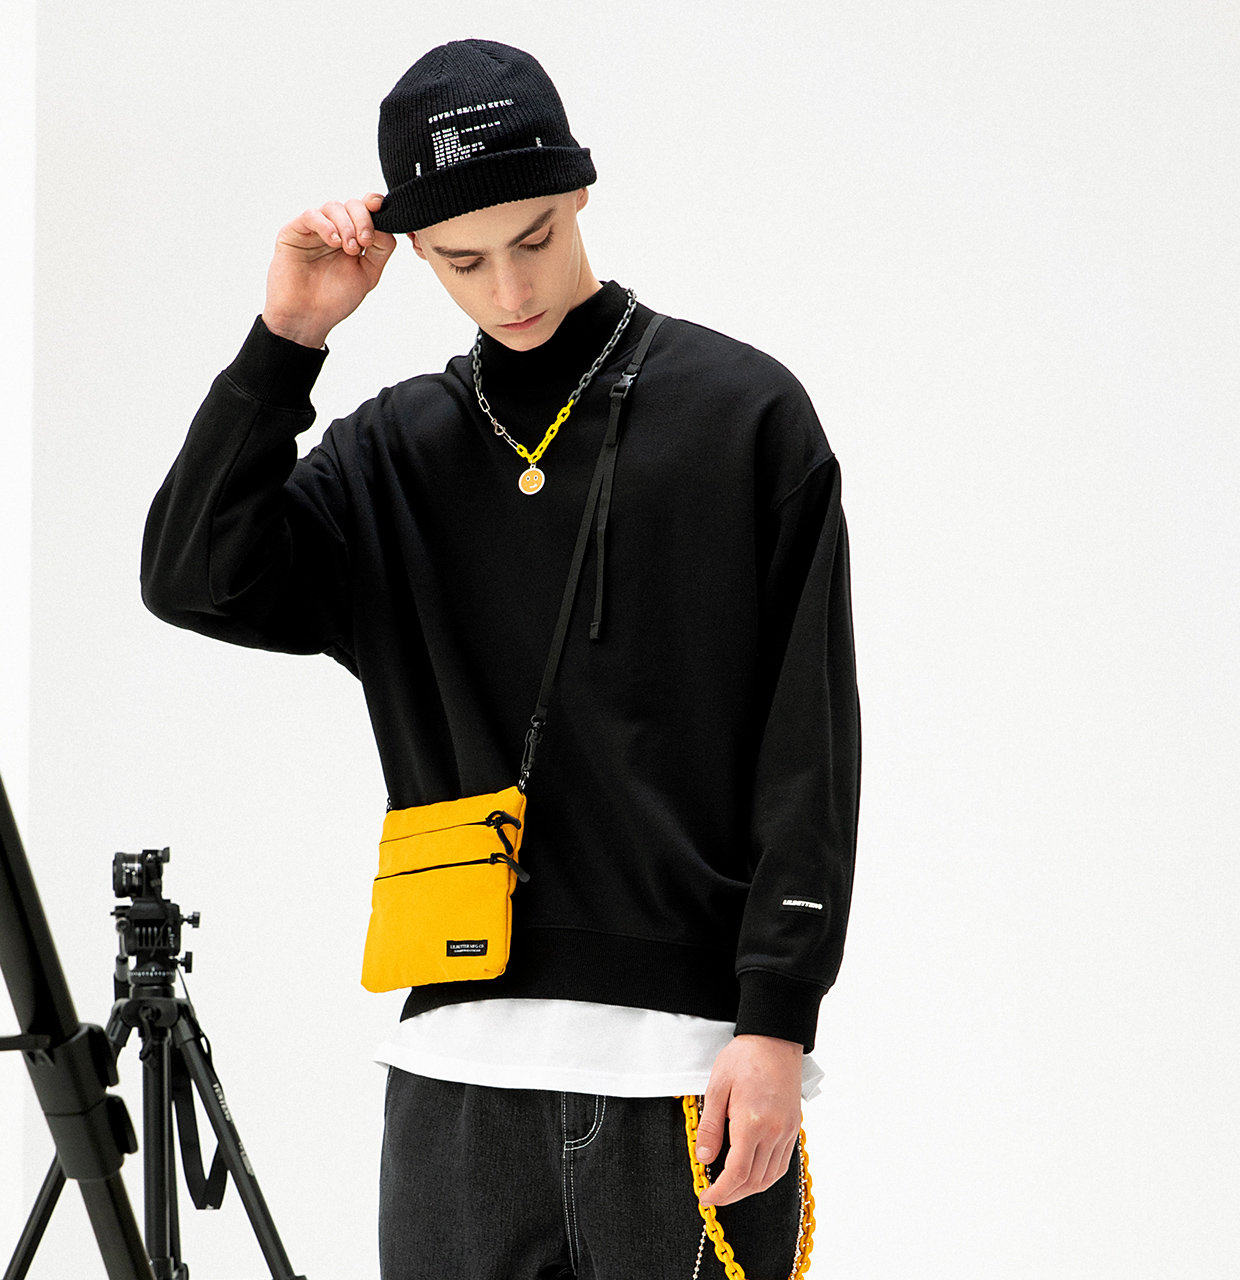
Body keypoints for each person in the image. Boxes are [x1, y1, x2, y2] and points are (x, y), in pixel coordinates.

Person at [140, 36, 861, 1280]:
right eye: (462, 260)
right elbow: (194, 574)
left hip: (689, 1070)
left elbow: (809, 743)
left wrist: (776, 1018)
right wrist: (287, 338)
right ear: (415, 252)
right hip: (455, 1086)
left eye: (532, 237)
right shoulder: (396, 455)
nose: (510, 287)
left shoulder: (741, 415)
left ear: (579, 189)